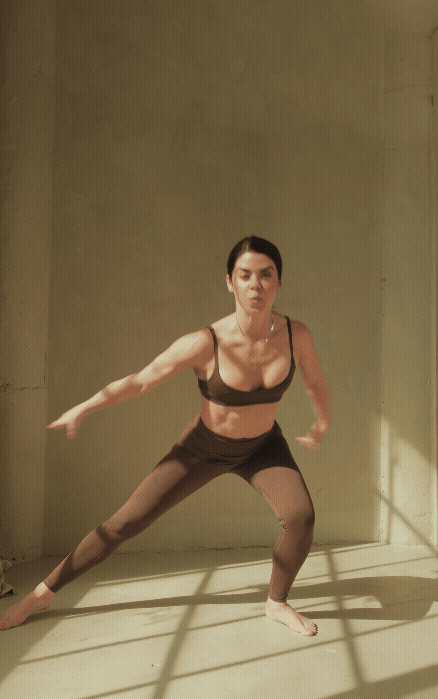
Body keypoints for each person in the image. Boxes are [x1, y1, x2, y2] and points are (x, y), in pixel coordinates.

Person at [0, 237, 330, 635]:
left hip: (263, 447)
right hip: (204, 448)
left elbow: (314, 381)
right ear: (230, 282)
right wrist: (84, 407)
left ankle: (277, 603)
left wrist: (322, 422)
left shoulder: (296, 335)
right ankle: (41, 595)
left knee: (301, 517)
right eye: (245, 275)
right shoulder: (205, 342)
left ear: (280, 282)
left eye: (266, 275)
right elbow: (141, 381)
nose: (255, 285)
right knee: (124, 523)